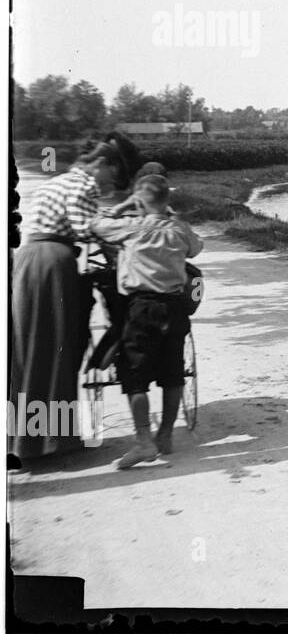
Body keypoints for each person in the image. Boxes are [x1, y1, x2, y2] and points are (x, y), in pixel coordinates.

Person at [9, 141, 128, 460]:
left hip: (30, 260)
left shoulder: (60, 180)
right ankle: (51, 442)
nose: (108, 184)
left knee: (31, 346)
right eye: (110, 175)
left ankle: (26, 439)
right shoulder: (83, 183)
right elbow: (87, 228)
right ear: (101, 162)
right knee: (55, 347)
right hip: (52, 263)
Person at [89, 175, 203, 468]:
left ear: (139, 202)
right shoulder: (179, 229)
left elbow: (96, 226)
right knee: (173, 372)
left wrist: (121, 207)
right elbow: (196, 248)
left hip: (141, 309)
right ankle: (165, 435)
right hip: (175, 308)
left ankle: (144, 442)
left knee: (133, 374)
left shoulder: (132, 227)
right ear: (167, 203)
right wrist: (170, 215)